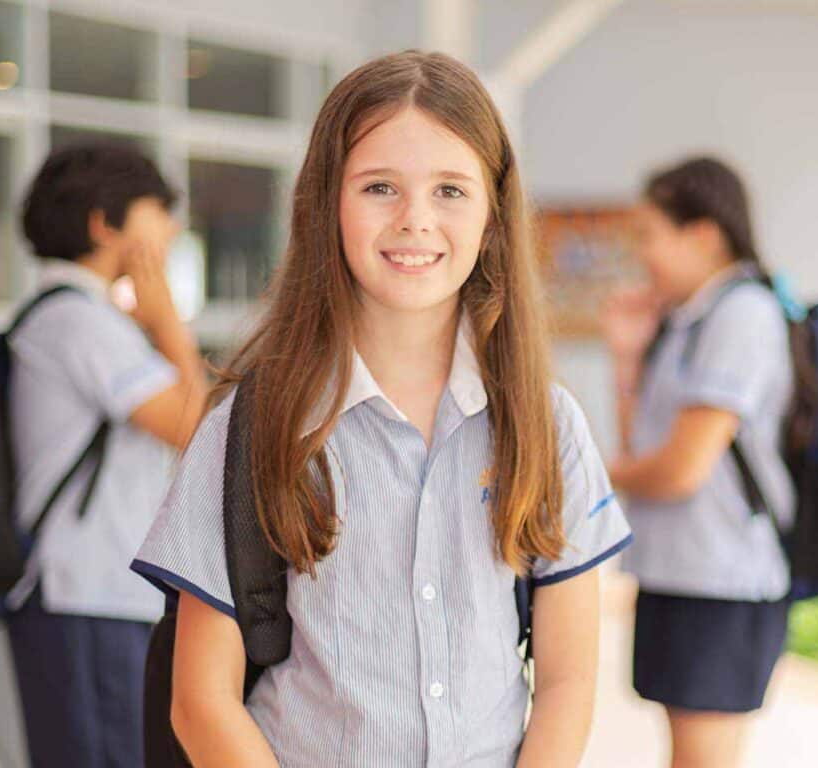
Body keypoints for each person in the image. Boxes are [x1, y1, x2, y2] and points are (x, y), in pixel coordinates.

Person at [131, 51, 632, 767]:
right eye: (379, 187)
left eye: (451, 191)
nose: (415, 220)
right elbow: (201, 702)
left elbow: (566, 681)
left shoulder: (546, 425)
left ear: (493, 215)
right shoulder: (253, 428)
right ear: (327, 203)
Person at [6, 142, 209, 767]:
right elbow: (200, 429)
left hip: (89, 597)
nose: (172, 228)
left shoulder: (83, 317)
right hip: (84, 597)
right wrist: (168, 321)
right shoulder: (79, 323)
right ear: (104, 222)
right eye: (158, 210)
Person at [599, 156, 798, 768]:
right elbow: (648, 452)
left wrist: (586, 472)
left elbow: (680, 470)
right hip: (684, 574)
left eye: (650, 235)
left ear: (704, 234)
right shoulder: (690, 320)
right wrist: (628, 358)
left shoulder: (742, 315)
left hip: (720, 581)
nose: (643, 254)